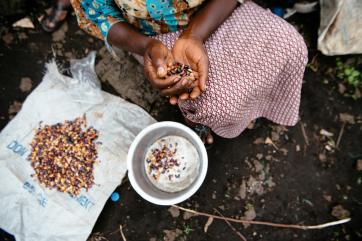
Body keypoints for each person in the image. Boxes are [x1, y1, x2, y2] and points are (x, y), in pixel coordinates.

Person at [70, 0, 308, 144]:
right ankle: (202, 123)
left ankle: (256, 106)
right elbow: (101, 17)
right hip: (153, 35)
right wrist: (146, 47)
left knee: (291, 45)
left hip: (216, 11)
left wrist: (194, 35)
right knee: (211, 98)